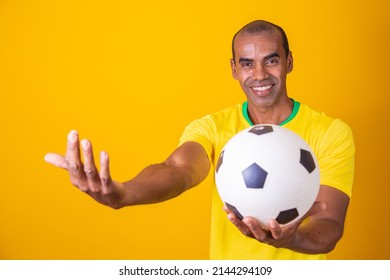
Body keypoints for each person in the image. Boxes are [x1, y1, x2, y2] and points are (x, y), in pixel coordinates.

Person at [45, 20, 355, 259]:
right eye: (247, 63)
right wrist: (125, 193)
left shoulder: (330, 132)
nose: (259, 74)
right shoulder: (213, 126)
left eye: (271, 60)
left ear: (289, 62)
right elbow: (178, 170)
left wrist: (294, 239)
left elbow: (329, 222)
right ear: (234, 69)